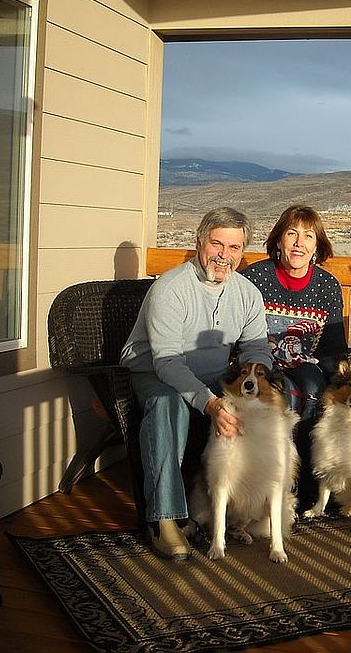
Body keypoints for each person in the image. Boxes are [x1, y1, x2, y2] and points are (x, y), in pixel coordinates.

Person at [120, 207, 272, 561]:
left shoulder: (247, 294)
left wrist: (258, 378)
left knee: (266, 408)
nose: (223, 255)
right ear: (199, 243)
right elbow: (167, 362)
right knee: (168, 405)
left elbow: (256, 347)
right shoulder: (170, 289)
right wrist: (211, 403)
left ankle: (246, 508)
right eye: (216, 244)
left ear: (242, 252)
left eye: (233, 247)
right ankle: (164, 520)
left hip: (214, 376)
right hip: (155, 372)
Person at [241, 204, 349, 509]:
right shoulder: (256, 277)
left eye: (309, 236)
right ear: (279, 241)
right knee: (282, 393)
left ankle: (304, 488)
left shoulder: (327, 286)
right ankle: (270, 485)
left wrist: (342, 386)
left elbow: (332, 346)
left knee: (314, 389)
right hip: (258, 364)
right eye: (292, 234)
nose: (299, 243)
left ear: (318, 246)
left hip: (305, 364)